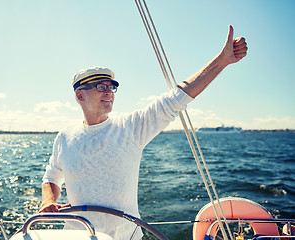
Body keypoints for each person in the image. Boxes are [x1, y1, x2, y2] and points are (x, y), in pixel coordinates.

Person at [40, 25, 247, 240]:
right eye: (101, 87)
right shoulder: (65, 137)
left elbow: (176, 99)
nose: (109, 92)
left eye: (112, 87)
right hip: (78, 236)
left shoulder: (130, 128)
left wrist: (222, 61)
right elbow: (52, 177)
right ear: (80, 96)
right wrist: (48, 201)